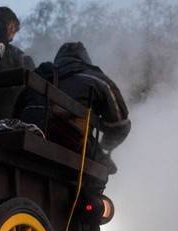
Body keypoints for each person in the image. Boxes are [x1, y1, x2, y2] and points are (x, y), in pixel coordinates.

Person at [19, 42, 130, 174]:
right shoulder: (96, 78)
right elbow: (120, 124)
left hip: (28, 137)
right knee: (105, 168)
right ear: (85, 59)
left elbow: (18, 108)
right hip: (69, 141)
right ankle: (90, 194)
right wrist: (107, 144)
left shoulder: (41, 73)